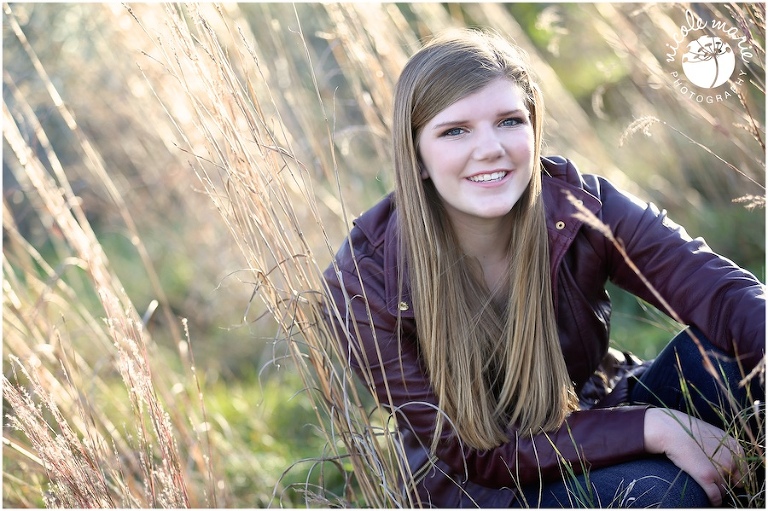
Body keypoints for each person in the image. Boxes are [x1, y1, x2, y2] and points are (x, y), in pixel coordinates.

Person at [322, 28, 765, 508]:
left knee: (735, 362)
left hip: (595, 414)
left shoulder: (581, 205)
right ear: (418, 157)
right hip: (489, 487)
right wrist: (655, 427)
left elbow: (724, 295)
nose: (490, 148)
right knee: (657, 495)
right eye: (455, 131)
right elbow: (478, 454)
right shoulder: (364, 283)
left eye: (509, 121)